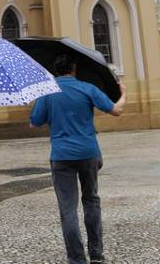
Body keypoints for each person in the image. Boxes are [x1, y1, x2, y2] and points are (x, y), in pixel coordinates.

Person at [30, 55, 126, 264]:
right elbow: (117, 110)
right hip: (88, 153)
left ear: (55, 70)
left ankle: (77, 259)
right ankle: (97, 254)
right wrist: (123, 94)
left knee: (68, 208)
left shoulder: (47, 91)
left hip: (61, 156)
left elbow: (34, 122)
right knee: (91, 201)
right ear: (73, 69)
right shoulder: (87, 88)